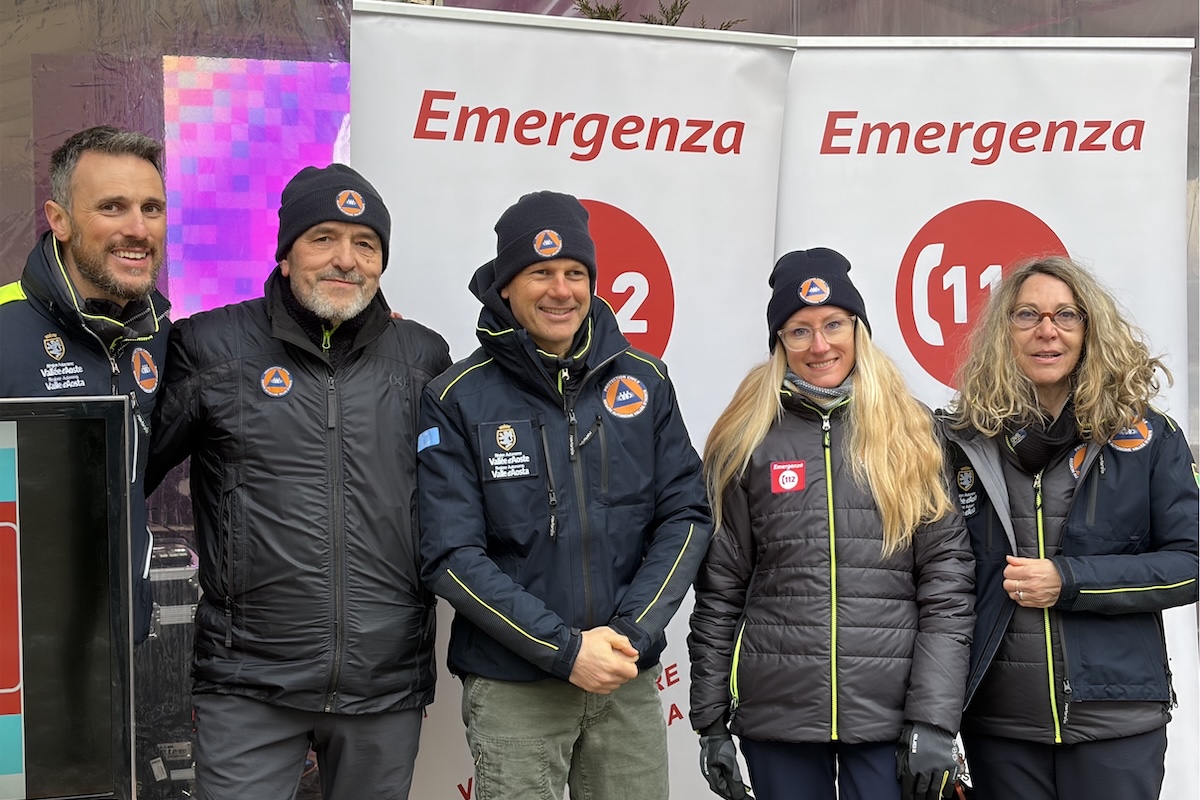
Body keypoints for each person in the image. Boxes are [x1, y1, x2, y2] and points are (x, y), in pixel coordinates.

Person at [146, 164, 451, 800]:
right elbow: (123, 477)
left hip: (384, 685)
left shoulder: (422, 357)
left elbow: (463, 503)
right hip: (249, 682)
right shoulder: (211, 345)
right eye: (324, 238)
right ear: (286, 254)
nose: (346, 260)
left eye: (365, 244)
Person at [417, 190, 711, 800]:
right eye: (540, 273)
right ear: (505, 287)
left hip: (624, 679)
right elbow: (450, 556)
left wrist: (631, 632)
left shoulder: (645, 381)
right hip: (515, 690)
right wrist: (565, 650)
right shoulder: (456, 397)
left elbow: (685, 515)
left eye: (575, 273)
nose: (561, 290)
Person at [688, 248, 975, 800]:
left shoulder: (912, 431)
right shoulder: (745, 440)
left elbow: (947, 588)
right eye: (799, 331)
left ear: (858, 329)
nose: (820, 346)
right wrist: (710, 722)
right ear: (779, 343)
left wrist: (935, 719)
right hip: (779, 718)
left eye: (834, 325)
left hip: (891, 718)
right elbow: (721, 593)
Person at [940, 255, 1199, 800]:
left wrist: (1070, 580)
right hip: (999, 727)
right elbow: (937, 584)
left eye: (1066, 315)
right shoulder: (963, 442)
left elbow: (1190, 564)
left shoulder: (1150, 438)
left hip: (1116, 720)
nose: (1047, 331)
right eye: (1027, 315)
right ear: (1002, 332)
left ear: (1090, 329)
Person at [0, 124, 171, 643]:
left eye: (152, 209)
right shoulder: (6, 327)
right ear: (60, 220)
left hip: (113, 647)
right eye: (112, 207)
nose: (138, 229)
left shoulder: (159, 337)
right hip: (16, 659)